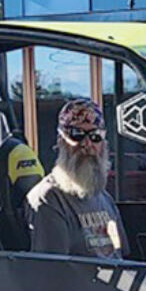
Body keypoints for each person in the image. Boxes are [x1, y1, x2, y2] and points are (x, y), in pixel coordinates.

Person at [25, 98, 128, 259]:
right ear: (61, 142)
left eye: (95, 136)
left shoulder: (103, 197)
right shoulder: (48, 200)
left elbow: (120, 255)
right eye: (77, 135)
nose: (87, 144)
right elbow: (53, 273)